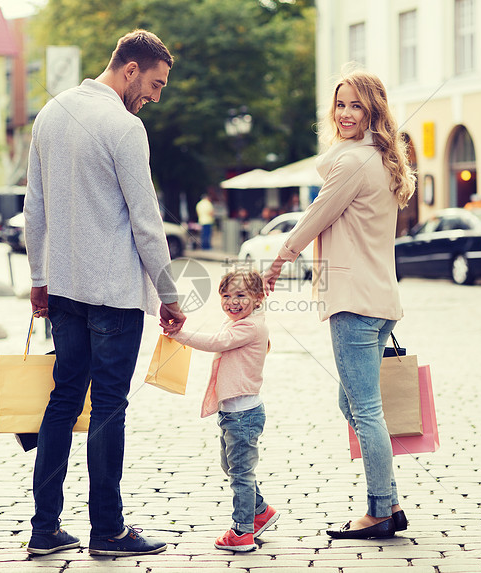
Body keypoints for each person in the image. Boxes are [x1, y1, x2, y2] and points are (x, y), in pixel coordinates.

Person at [24, 29, 186, 557]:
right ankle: (109, 530)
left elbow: (35, 210)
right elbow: (146, 221)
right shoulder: (124, 126)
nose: (155, 96)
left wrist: (38, 280)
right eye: (156, 83)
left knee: (63, 400)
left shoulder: (51, 114)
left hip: (65, 292)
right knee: (109, 407)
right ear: (131, 68)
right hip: (115, 295)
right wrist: (169, 293)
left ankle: (44, 529)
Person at [263, 70, 416, 540]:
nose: (346, 114)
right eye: (341, 105)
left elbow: (315, 217)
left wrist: (278, 261)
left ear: (373, 112)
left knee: (364, 408)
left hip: (353, 301)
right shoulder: (377, 160)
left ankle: (379, 511)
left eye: (356, 107)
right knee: (353, 404)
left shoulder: (352, 163)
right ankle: (388, 500)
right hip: (378, 298)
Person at [162, 269, 278, 552]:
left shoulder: (249, 327)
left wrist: (180, 335)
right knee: (231, 466)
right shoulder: (238, 323)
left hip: (243, 415)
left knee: (240, 473)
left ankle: (242, 531)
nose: (232, 302)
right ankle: (260, 511)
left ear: (259, 298)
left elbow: (216, 343)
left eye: (241, 295)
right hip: (233, 414)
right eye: (226, 295)